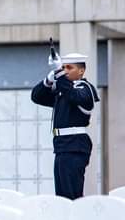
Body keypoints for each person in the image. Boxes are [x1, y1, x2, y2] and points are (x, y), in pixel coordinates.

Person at [31, 52, 99, 200]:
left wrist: (59, 73)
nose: (65, 70)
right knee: (61, 195)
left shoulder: (85, 89)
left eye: (69, 67)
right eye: (63, 67)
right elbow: (37, 96)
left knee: (71, 193)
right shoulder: (64, 90)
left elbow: (74, 96)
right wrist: (50, 78)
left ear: (81, 71)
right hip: (62, 145)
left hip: (75, 145)